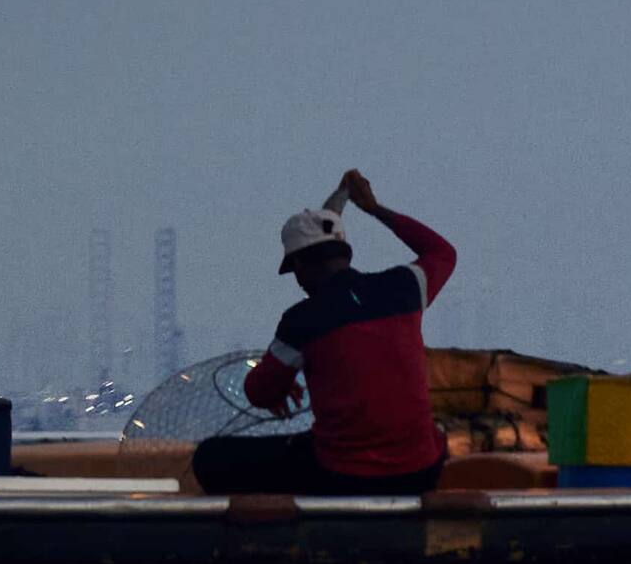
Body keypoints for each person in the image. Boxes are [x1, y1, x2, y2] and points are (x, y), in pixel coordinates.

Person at [193, 169, 455, 497]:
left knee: (211, 457)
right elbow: (442, 252)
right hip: (422, 472)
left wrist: (280, 382)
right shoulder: (404, 287)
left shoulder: (302, 321)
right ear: (344, 253)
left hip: (345, 477)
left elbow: (258, 394)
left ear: (300, 266)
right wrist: (374, 209)